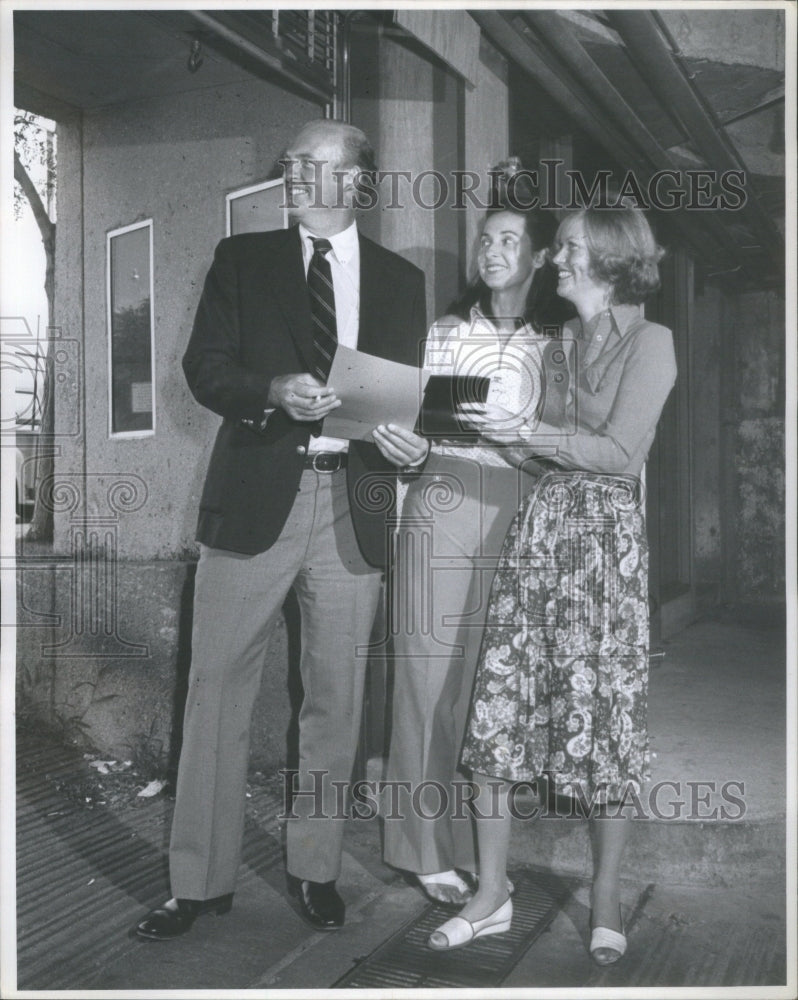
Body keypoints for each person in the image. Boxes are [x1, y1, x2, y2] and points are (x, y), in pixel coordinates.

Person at [136, 118, 428, 939]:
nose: (293, 172)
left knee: (334, 705)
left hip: (356, 507)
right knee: (214, 691)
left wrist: (412, 446)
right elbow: (204, 369)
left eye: (312, 162)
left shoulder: (404, 282)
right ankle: (196, 882)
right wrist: (272, 389)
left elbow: (407, 399)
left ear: (358, 181)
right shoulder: (242, 260)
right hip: (257, 498)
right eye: (291, 161)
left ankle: (316, 871)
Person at [427, 205, 676, 962]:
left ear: (606, 257)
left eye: (566, 249)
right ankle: (491, 892)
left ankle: (604, 895)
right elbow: (549, 458)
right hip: (541, 529)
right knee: (499, 707)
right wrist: (484, 432)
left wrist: (524, 433)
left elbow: (620, 452)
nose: (555, 260)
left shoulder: (653, 342)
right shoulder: (560, 340)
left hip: (605, 550)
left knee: (603, 721)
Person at [383, 203, 572, 905]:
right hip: (442, 493)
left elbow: (571, 445)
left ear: (542, 256)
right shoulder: (444, 332)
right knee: (422, 676)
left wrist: (523, 437)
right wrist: (407, 453)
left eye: (509, 240)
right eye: (485, 239)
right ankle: (420, 849)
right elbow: (415, 424)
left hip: (519, 503)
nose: (492, 251)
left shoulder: (557, 341)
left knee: (484, 690)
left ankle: (474, 852)